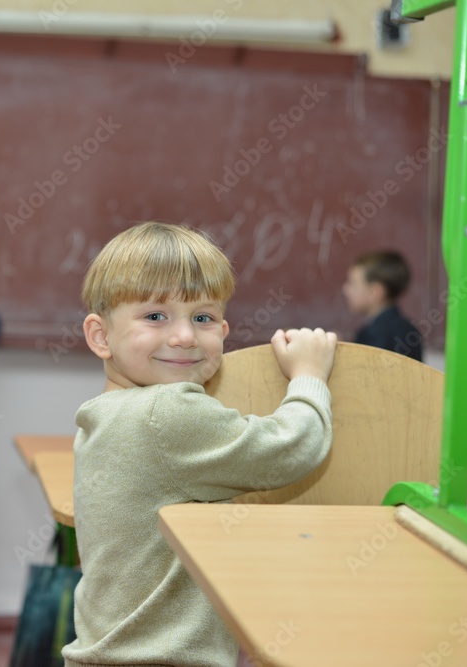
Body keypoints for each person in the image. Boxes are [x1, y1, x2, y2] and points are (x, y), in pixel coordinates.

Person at [63, 222, 337, 667]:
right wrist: (309, 376)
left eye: (202, 318)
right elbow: (291, 449)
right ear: (100, 336)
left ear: (223, 331)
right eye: (155, 316)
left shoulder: (103, 415)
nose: (185, 336)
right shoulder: (165, 412)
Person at [342, 250, 423, 361]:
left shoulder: (371, 334)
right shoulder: (411, 329)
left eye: (353, 284)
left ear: (374, 292)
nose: (346, 290)